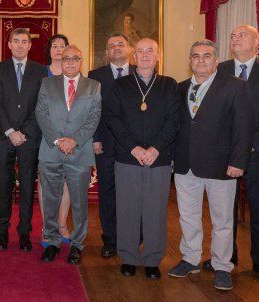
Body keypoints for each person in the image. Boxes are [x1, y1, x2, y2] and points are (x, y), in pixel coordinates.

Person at [199, 24, 259, 286]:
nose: (236, 39)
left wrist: (249, 144)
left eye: (243, 35)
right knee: (224, 210)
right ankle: (227, 257)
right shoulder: (219, 69)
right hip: (224, 153)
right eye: (233, 35)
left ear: (257, 41)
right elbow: (210, 111)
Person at [167, 39, 253, 291]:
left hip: (221, 166)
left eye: (207, 55)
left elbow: (244, 126)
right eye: (195, 56)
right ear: (190, 60)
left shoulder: (235, 86)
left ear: (217, 60)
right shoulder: (180, 88)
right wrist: (172, 156)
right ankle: (191, 258)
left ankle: (222, 266)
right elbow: (176, 126)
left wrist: (238, 161)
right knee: (188, 216)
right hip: (185, 164)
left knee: (223, 220)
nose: (201, 60)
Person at [107, 38, 179, 279]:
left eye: (151, 51)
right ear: (133, 57)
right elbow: (114, 119)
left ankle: (151, 259)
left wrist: (156, 149)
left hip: (158, 159)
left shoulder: (169, 85)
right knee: (127, 208)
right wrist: (135, 149)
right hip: (127, 158)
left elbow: (173, 121)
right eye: (140, 51)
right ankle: (128, 257)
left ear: (158, 56)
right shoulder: (120, 85)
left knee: (155, 210)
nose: (145, 55)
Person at [36, 45, 101, 264]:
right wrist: (57, 140)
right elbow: (41, 113)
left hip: (79, 152)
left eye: (75, 58)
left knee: (79, 203)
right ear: (60, 61)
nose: (71, 62)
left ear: (81, 60)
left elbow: (94, 118)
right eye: (66, 59)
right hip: (51, 150)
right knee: (51, 199)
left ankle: (77, 244)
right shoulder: (48, 83)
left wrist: (74, 140)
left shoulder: (93, 86)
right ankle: (52, 240)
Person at [0, 28, 48, 252]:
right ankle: (2, 232)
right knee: (3, 186)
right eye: (17, 41)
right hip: (4, 137)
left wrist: (23, 131)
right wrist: (10, 131)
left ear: (30, 45)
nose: (21, 45)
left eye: (25, 41)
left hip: (30, 138)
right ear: (9, 44)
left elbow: (40, 106)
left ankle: (24, 232)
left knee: (26, 188)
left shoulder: (40, 71)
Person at [87, 33, 135, 258]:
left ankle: (131, 238)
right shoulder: (95, 76)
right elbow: (92, 110)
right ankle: (110, 239)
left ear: (129, 48)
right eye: (111, 45)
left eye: (120, 44)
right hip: (104, 144)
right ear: (106, 52)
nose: (116, 48)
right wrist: (95, 138)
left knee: (131, 193)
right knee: (107, 192)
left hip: (134, 147)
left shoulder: (141, 72)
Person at [39, 34, 73, 247]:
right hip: (47, 136)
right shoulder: (40, 74)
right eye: (55, 45)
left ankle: (61, 224)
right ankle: (47, 225)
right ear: (49, 50)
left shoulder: (76, 74)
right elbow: (39, 109)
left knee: (68, 181)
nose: (59, 49)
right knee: (46, 182)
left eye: (63, 46)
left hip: (71, 139)